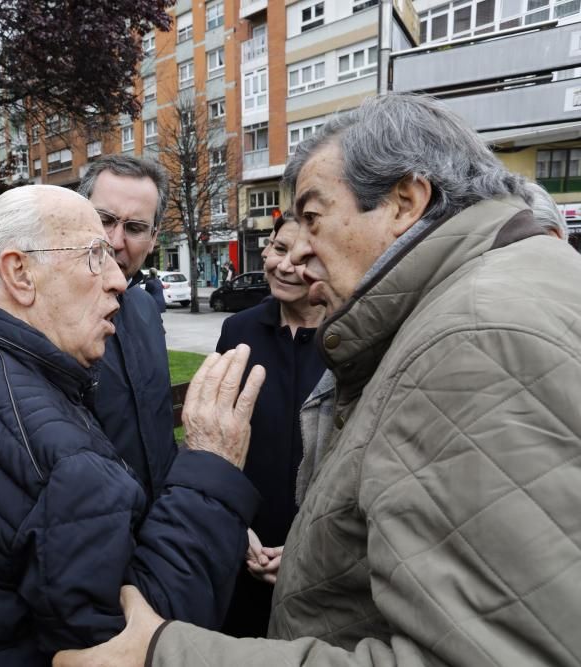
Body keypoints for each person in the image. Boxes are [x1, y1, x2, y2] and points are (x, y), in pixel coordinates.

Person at [53, 93, 581, 666]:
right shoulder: (508, 287)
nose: (299, 252)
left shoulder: (477, 333)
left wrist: (164, 654)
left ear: (405, 200)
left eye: (313, 216)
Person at [0, 184, 264, 666]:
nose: (119, 278)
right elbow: (136, 646)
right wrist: (212, 471)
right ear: (19, 273)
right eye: (95, 254)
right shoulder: (67, 462)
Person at [214, 213, 326, 638]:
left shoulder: (353, 335)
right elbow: (217, 439)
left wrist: (309, 548)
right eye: (280, 250)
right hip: (244, 553)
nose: (284, 266)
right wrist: (235, 523)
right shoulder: (239, 329)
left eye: (304, 258)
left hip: (321, 564)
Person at [76, 155, 177, 499]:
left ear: (153, 239)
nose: (115, 241)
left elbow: (159, 432)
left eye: (134, 228)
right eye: (104, 220)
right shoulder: (46, 316)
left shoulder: (146, 308)